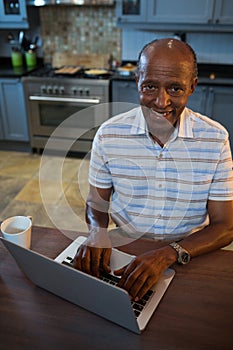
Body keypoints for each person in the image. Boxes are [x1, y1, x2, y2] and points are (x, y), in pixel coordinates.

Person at [73, 38, 233, 301]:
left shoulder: (215, 139)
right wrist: (96, 232)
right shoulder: (108, 135)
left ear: (192, 87)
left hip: (190, 253)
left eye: (175, 89)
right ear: (137, 81)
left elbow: (225, 226)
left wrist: (169, 253)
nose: (161, 102)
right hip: (126, 250)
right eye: (150, 86)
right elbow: (96, 202)